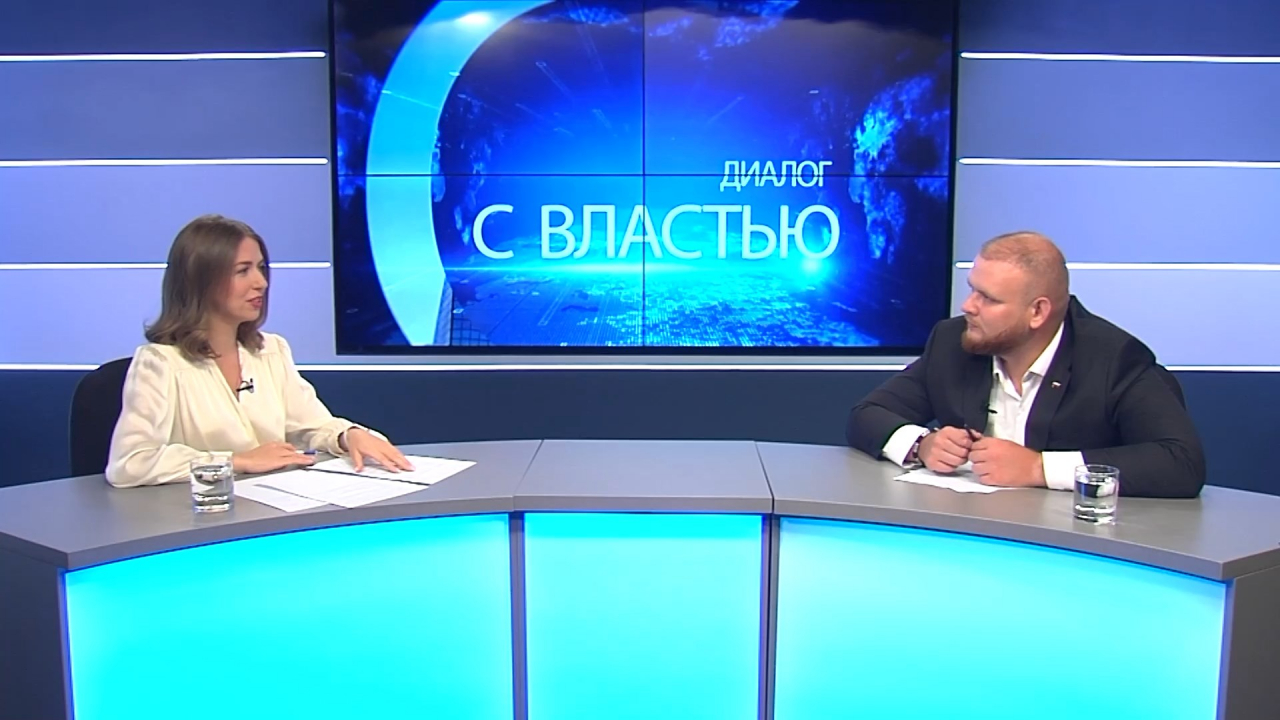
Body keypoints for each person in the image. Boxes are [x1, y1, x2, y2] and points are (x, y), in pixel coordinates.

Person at [846, 231, 1205, 498]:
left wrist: (1037, 468)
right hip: (968, 537)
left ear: (1037, 312)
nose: (968, 306)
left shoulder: (1113, 359)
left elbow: (1180, 462)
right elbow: (867, 414)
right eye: (972, 289)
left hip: (1073, 547)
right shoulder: (953, 342)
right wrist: (922, 445)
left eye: (988, 298)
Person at [106, 214, 412, 488]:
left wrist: (348, 435)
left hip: (271, 512)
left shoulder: (271, 351)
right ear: (201, 281)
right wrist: (236, 461)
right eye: (243, 271)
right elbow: (130, 463)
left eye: (261, 268)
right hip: (198, 517)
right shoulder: (161, 363)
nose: (261, 283)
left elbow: (312, 425)